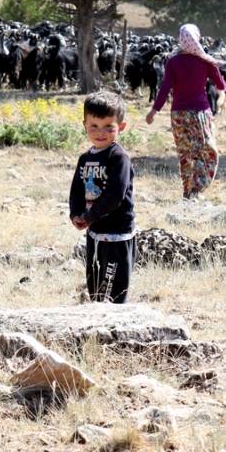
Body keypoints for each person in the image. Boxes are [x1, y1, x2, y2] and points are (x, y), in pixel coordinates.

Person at [146, 23, 226, 199]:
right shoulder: (204, 60)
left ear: (181, 40)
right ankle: (197, 189)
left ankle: (187, 190)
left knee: (185, 152)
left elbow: (165, 87)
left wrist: (154, 111)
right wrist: (213, 65)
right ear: (197, 38)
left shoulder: (173, 61)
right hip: (200, 114)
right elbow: (221, 85)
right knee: (206, 150)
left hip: (178, 115)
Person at [69, 91, 136, 304]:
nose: (101, 132)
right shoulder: (85, 158)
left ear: (121, 127)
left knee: (113, 289)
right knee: (95, 284)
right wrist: (76, 213)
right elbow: (77, 190)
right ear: (85, 125)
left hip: (116, 234)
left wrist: (91, 216)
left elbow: (115, 195)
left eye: (109, 126)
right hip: (95, 232)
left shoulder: (119, 158)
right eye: (94, 126)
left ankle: (115, 327)